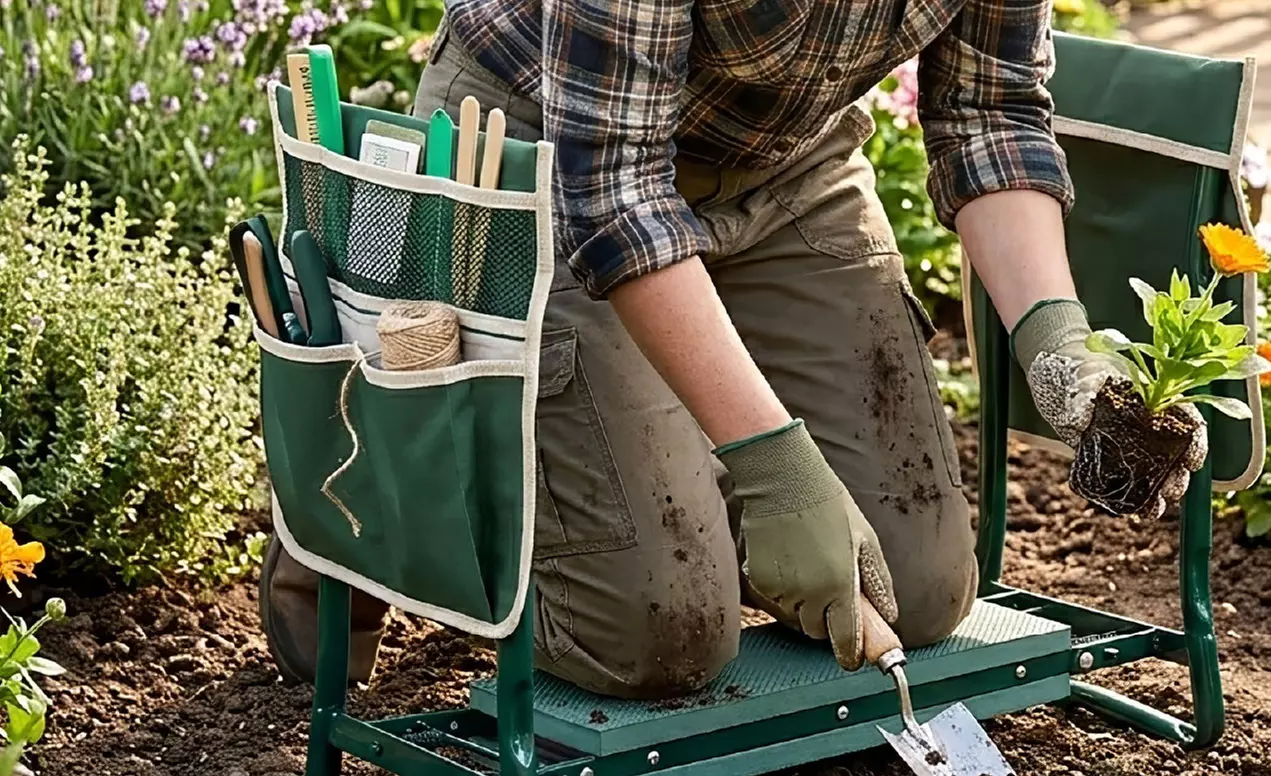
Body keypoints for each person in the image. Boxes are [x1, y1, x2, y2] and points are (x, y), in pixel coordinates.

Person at [259, 0, 1207, 698]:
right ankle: (371, 488)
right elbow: (617, 192)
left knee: (912, 593)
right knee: (657, 635)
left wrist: (1059, 344)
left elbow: (992, 115)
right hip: (542, 148)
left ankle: (649, 458)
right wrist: (772, 465)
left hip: (786, 168)